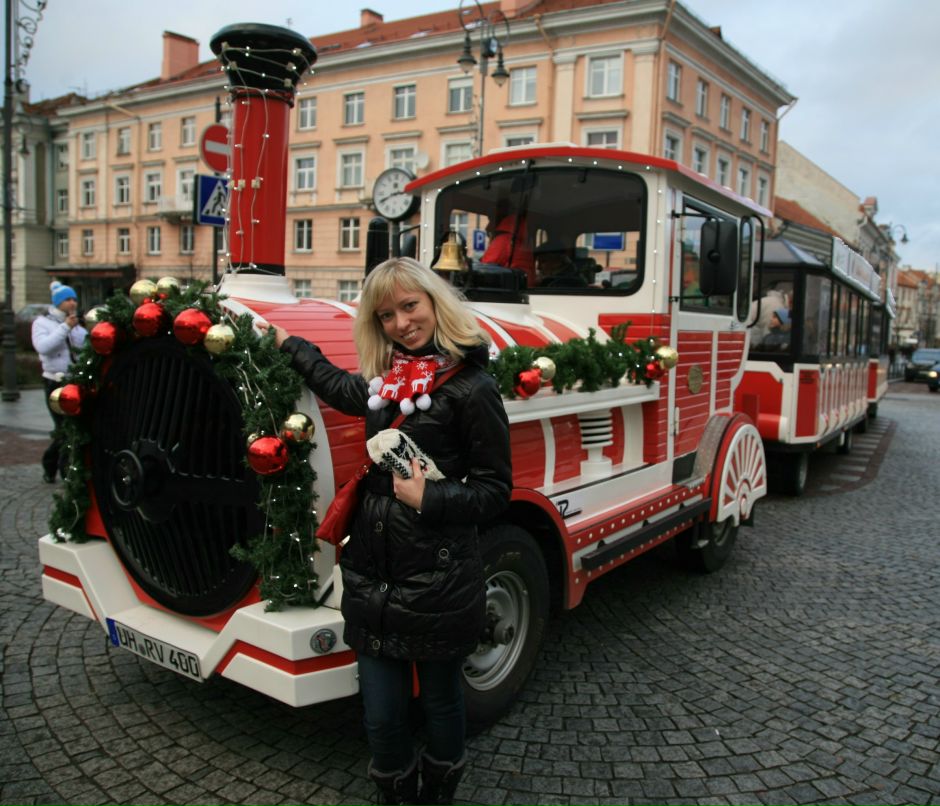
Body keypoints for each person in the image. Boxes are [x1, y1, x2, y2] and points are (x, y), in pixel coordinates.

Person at [259, 257, 511, 806]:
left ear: (434, 302)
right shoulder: (392, 379)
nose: (401, 322)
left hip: (439, 578)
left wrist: (431, 497)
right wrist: (289, 345)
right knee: (381, 714)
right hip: (373, 573)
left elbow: (496, 492)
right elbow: (341, 388)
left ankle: (439, 791)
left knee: (442, 702)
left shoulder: (473, 388)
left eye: (410, 306)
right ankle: (393, 794)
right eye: (386, 314)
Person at [32, 281, 87, 483]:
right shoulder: (42, 323)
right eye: (67, 300)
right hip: (54, 382)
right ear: (57, 302)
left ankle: (63, 469)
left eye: (74, 299)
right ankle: (56, 468)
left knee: (71, 428)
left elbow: (83, 347)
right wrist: (65, 327)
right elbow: (43, 347)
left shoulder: (74, 324)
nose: (72, 303)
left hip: (74, 381)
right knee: (63, 428)